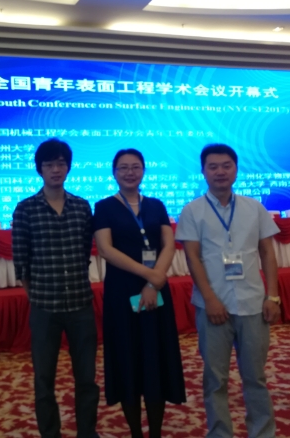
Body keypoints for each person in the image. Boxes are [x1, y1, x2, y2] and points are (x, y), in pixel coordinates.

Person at [175, 144, 281, 438]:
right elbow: (192, 258)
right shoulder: (192, 210)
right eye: (213, 166)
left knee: (255, 377)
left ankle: (263, 432)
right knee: (215, 378)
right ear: (203, 171)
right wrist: (210, 299)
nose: (220, 172)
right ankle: (220, 433)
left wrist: (272, 296)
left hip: (253, 303)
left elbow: (267, 253)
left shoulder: (254, 207)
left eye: (226, 166)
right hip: (212, 305)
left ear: (236, 169)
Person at [93, 148, 186, 438]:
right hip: (122, 292)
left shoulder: (156, 205)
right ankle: (135, 432)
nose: (129, 172)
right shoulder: (104, 206)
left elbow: (168, 244)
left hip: (156, 292)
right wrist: (150, 276)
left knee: (156, 357)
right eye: (123, 167)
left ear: (144, 170)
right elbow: (106, 249)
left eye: (135, 167)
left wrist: (153, 284)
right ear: (114, 173)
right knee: (127, 358)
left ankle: (155, 432)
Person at [12, 138, 99, 438]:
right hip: (44, 308)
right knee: (44, 378)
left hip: (80, 304)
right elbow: (21, 261)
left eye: (61, 163)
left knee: (86, 377)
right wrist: (35, 295)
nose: (55, 169)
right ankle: (50, 433)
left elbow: (85, 251)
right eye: (49, 164)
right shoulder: (25, 209)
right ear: (40, 169)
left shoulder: (82, 207)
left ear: (69, 167)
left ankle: (87, 432)